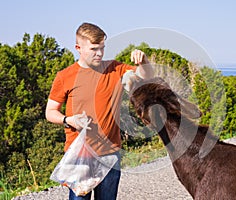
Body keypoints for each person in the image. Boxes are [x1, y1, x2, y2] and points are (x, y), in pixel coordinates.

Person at [45, 22, 154, 200]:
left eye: (102, 48)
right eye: (94, 49)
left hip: (110, 156)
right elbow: (50, 112)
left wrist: (144, 62)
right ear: (78, 48)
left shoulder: (115, 68)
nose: (100, 53)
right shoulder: (64, 76)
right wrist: (68, 120)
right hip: (79, 156)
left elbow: (146, 78)